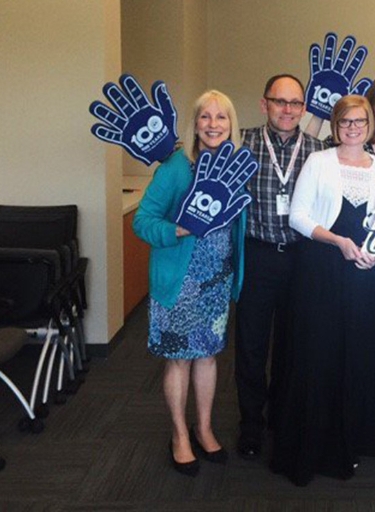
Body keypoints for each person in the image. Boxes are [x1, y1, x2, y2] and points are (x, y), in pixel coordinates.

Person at [270, 95, 375, 486]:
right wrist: (337, 241)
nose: (353, 128)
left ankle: (351, 440)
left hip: (364, 275)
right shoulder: (318, 162)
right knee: (319, 355)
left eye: (359, 121)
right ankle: (314, 445)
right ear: (335, 125)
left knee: (357, 355)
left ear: (369, 124)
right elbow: (299, 216)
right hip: (321, 271)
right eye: (345, 122)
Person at [133, 90, 246, 476]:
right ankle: (180, 435)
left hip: (215, 282)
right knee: (179, 359)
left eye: (222, 118)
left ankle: (205, 427)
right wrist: (179, 228)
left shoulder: (235, 169)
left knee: (208, 356)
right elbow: (143, 220)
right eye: (205, 117)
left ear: (232, 124)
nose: (213, 124)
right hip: (179, 282)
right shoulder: (177, 167)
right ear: (194, 124)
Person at [234, 74, 324, 458]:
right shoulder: (242, 144)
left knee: (292, 345)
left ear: (304, 109)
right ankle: (251, 424)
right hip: (258, 255)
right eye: (279, 101)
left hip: (303, 261)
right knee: (252, 345)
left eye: (294, 103)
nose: (287, 110)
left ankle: (282, 417)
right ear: (264, 103)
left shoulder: (320, 152)